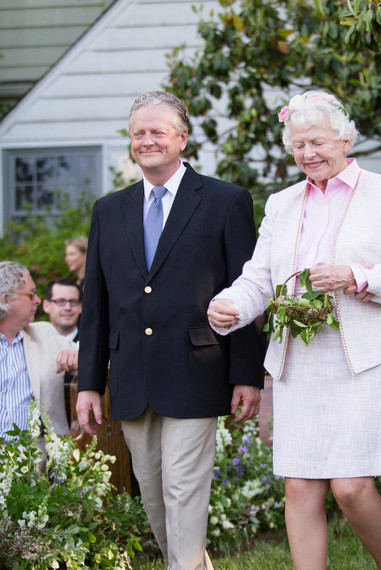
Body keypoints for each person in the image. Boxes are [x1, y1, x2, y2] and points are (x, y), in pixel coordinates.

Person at [207, 91, 381, 570]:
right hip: (300, 357)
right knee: (300, 483)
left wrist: (359, 275)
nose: (307, 153)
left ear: (345, 139)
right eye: (297, 145)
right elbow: (258, 278)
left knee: (352, 487)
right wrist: (229, 305)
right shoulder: (282, 203)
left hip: (366, 358)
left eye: (317, 142)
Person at [76, 91, 265, 570]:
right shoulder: (108, 210)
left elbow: (248, 292)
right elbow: (96, 305)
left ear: (182, 137)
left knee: (183, 486)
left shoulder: (225, 201)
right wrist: (90, 383)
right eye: (139, 133)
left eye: (158, 131)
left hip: (196, 369)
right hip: (133, 379)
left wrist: (247, 373)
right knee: (155, 494)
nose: (147, 140)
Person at [0, 261, 77, 440]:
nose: (37, 300)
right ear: (5, 299)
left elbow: (103, 360)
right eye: (30, 294)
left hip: (40, 460)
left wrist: (76, 356)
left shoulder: (44, 333)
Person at [43, 278, 82, 342]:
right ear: (46, 306)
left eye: (73, 302)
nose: (68, 308)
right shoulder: (34, 343)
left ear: (80, 306)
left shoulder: (91, 343)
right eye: (60, 301)